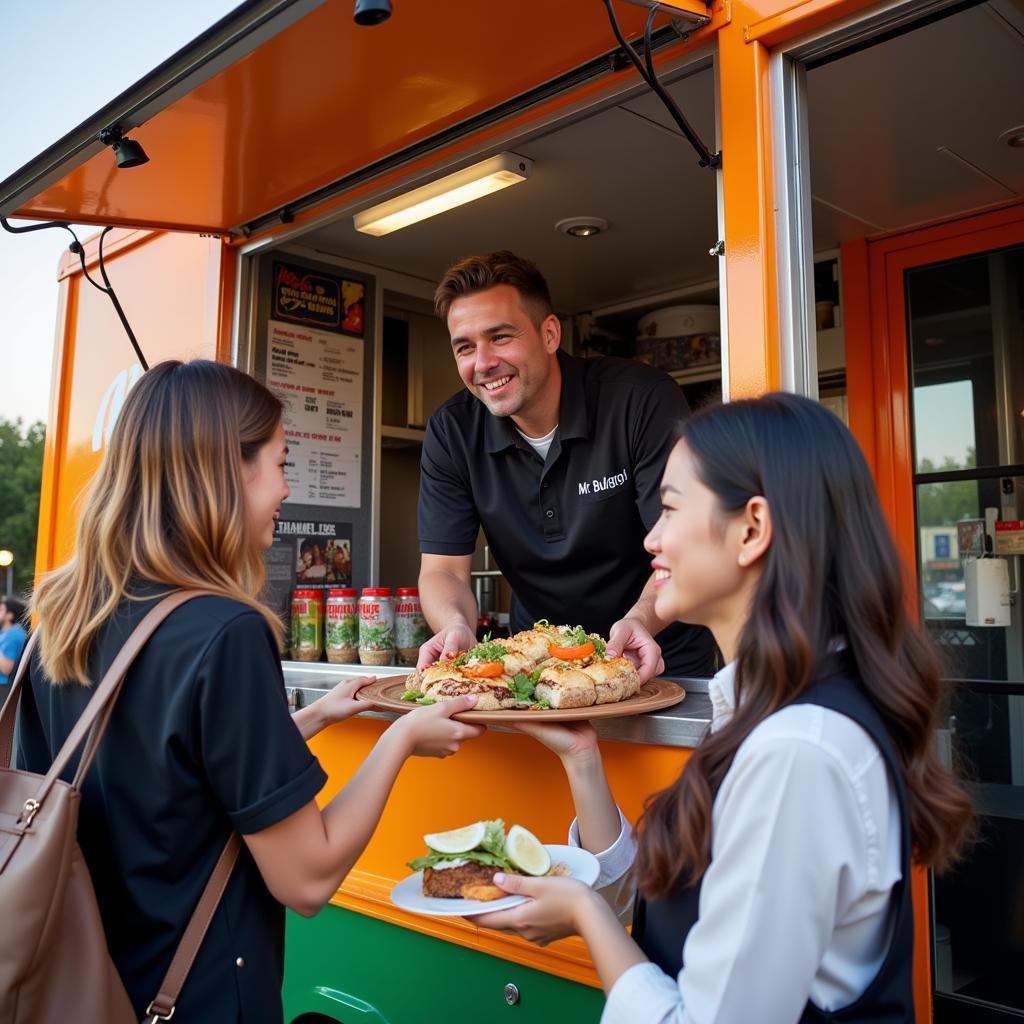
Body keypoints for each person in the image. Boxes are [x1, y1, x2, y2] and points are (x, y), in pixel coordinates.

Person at [474, 393, 973, 1023]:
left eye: (671, 508)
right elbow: (687, 918)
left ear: (752, 530)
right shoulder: (770, 709)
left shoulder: (797, 751)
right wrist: (582, 759)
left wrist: (583, 914)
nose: (651, 537)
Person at [16, 360, 483, 1023]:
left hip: (88, 983)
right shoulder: (224, 631)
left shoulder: (60, 614)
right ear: (225, 473)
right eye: (280, 464)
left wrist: (317, 714)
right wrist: (402, 736)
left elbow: (161, 780)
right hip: (195, 996)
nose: (286, 490)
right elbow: (307, 878)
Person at [417, 250, 715, 679]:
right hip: (538, 666)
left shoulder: (639, 400)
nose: (482, 363)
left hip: (657, 653)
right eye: (465, 347)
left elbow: (683, 544)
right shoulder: (453, 432)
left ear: (550, 333)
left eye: (500, 337)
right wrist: (455, 626)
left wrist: (640, 621)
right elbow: (443, 570)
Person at [0, 593, 28, 688]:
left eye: (1, 609)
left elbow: (7, 668)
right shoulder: (6, 632)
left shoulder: (15, 634)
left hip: (5, 688)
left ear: (10, 615)